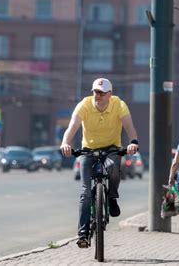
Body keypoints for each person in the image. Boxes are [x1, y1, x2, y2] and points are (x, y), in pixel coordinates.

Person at [60, 78, 139, 248]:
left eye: (102, 93)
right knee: (85, 192)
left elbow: (129, 127)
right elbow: (72, 127)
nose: (98, 96)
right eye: (96, 92)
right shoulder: (85, 105)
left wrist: (133, 142)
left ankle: (112, 197)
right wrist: (66, 143)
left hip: (112, 148)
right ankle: (83, 234)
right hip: (88, 150)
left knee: (113, 168)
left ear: (110, 94)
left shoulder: (119, 104)